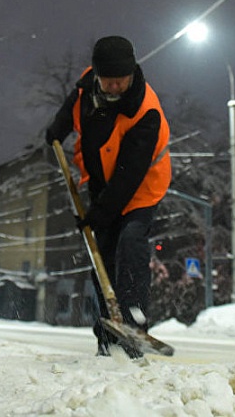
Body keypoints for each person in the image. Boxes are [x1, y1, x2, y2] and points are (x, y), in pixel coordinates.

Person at [45, 36, 171, 358]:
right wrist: (58, 127)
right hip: (102, 180)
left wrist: (98, 213)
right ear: (98, 76)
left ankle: (133, 319)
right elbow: (74, 101)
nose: (115, 87)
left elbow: (129, 176)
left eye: (121, 81)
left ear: (132, 74)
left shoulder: (146, 111)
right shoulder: (89, 87)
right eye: (108, 81)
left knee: (129, 239)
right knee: (101, 254)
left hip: (141, 186)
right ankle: (106, 334)